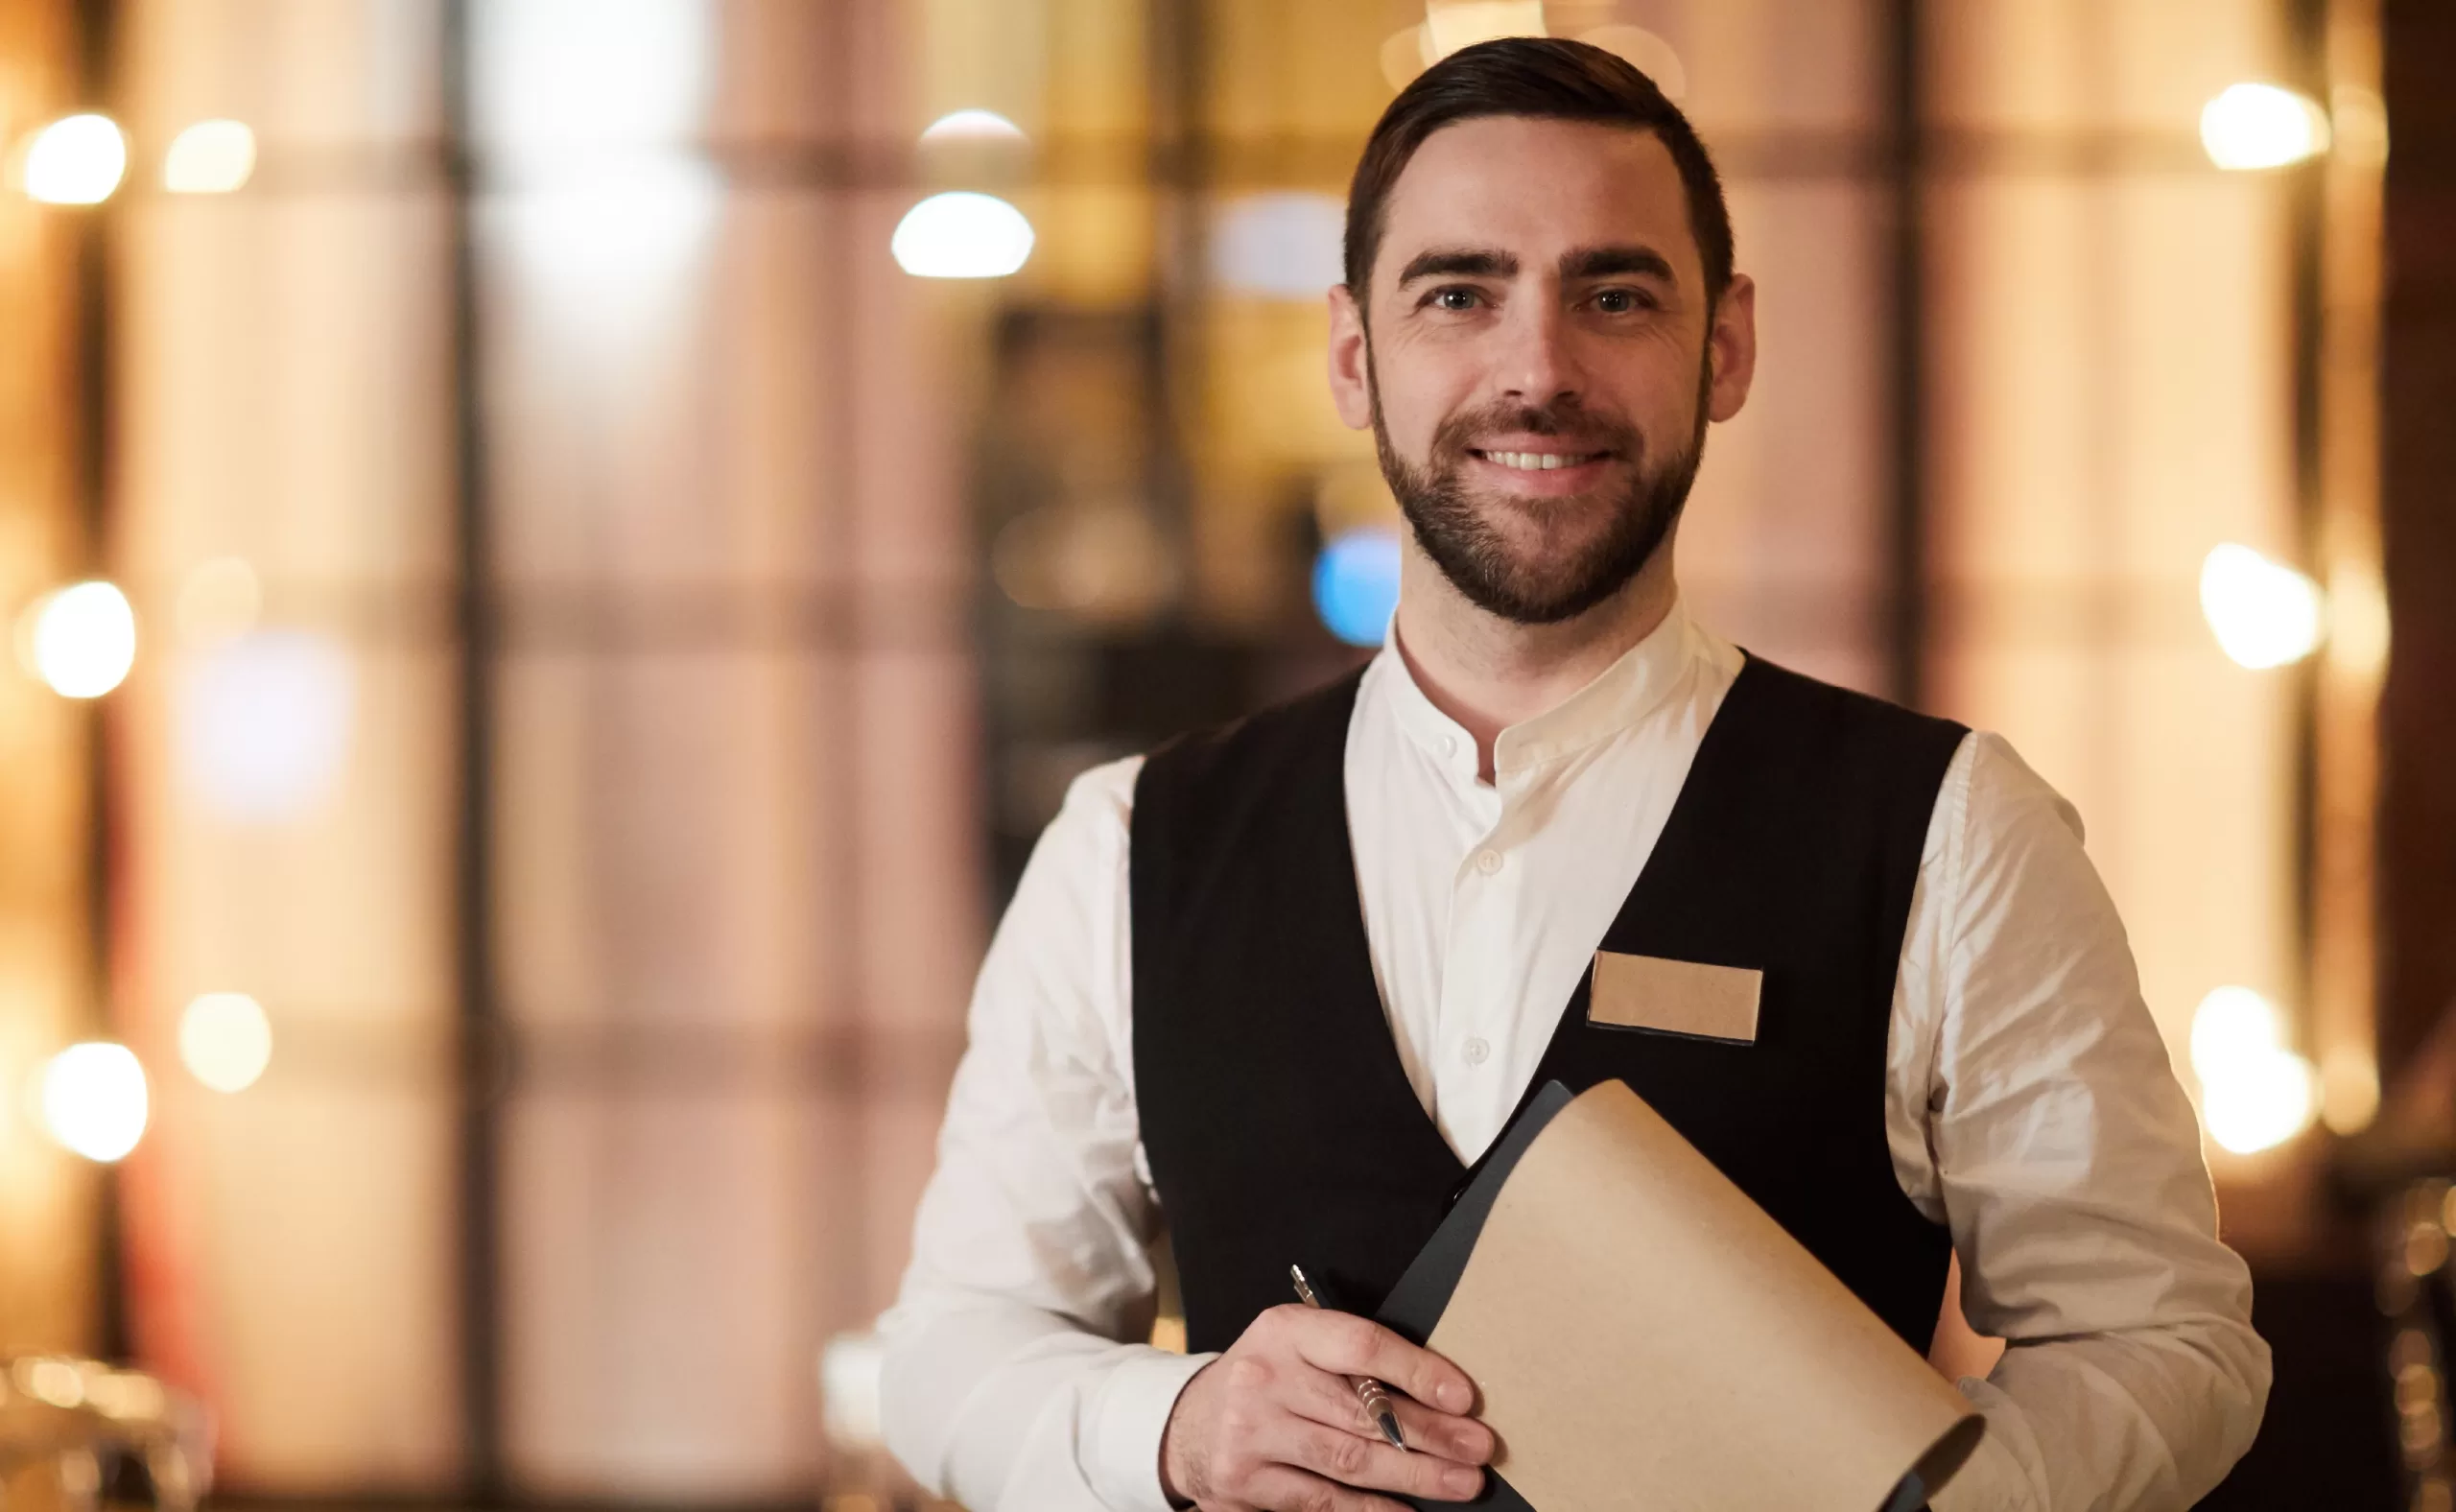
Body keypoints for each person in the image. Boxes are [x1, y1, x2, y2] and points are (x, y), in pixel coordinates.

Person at [879, 36, 2268, 1512]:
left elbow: (2168, 1342)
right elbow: (951, 1353)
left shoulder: (1949, 831)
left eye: (1614, 295)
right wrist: (1175, 1427)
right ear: (1355, 356)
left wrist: (1915, 1500)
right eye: (1459, 294)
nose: (1537, 372)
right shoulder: (1129, 845)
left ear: (1725, 346)